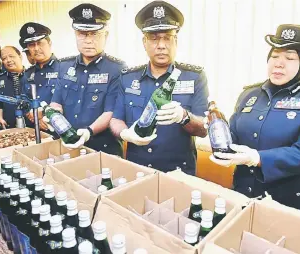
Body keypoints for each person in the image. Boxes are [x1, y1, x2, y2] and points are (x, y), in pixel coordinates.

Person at [209, 24, 300, 215]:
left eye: (290, 58)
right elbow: (233, 134)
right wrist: (217, 133)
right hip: (244, 195)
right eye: (274, 56)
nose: (278, 63)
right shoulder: (250, 94)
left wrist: (257, 158)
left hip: (289, 203)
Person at [110, 1, 209, 175]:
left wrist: (184, 117)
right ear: (144, 42)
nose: (161, 45)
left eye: (167, 38)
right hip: (137, 171)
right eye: (154, 38)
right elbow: (116, 119)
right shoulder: (127, 78)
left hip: (178, 174)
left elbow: (203, 129)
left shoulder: (194, 77)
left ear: (175, 41)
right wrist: (125, 134)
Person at [45, 3, 126, 156]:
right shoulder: (63, 66)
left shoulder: (117, 68)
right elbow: (57, 102)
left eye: (95, 34)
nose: (88, 40)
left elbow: (111, 111)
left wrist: (89, 131)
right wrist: (53, 117)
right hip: (68, 146)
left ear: (106, 36)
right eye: (82, 33)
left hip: (103, 149)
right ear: (75, 34)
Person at [19, 22, 60, 132]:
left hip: (59, 131)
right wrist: (35, 117)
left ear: (49, 43)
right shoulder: (27, 74)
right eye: (32, 45)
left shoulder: (65, 69)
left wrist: (46, 118)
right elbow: (23, 101)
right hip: (34, 131)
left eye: (40, 43)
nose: (36, 48)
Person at [0, 46, 27, 129]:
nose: (8, 60)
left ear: (20, 56)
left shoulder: (31, 75)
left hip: (32, 124)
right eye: (4, 58)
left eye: (11, 56)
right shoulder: (0, 79)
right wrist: (0, 118)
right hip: (10, 125)